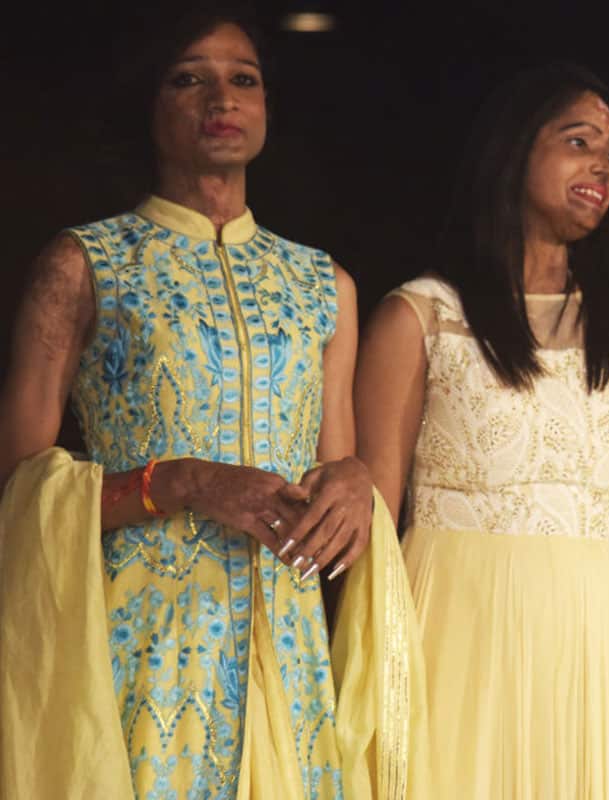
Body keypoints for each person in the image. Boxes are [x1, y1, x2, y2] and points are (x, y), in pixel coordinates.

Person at [0, 9, 423, 798]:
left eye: (243, 79)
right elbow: (20, 487)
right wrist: (184, 482)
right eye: (188, 77)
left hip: (286, 649)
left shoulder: (321, 283)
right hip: (143, 645)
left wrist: (355, 481)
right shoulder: (85, 264)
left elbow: (334, 459)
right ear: (150, 105)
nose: (219, 98)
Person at [354, 63, 609, 799]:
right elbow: (372, 523)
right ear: (514, 152)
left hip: (603, 645)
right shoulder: (421, 316)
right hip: (455, 637)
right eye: (579, 141)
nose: (601, 169)